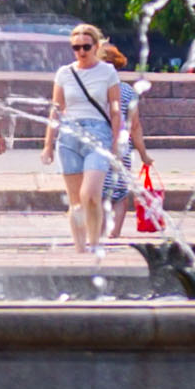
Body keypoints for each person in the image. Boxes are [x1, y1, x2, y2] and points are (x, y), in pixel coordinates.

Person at [46, 23, 148, 252]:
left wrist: (116, 142)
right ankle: (81, 248)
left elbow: (114, 111)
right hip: (69, 136)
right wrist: (47, 145)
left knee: (90, 193)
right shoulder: (64, 73)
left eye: (86, 46)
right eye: (76, 47)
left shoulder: (107, 72)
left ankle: (94, 242)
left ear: (95, 46)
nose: (81, 51)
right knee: (76, 201)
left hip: (98, 134)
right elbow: (56, 109)